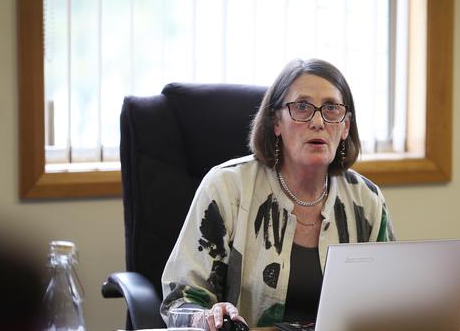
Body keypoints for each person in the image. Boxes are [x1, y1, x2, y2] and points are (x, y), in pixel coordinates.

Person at [161, 58, 395, 330]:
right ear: (276, 123)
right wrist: (208, 317)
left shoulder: (366, 201)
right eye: (302, 107)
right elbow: (179, 301)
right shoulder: (227, 187)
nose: (318, 121)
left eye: (331, 108)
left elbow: (387, 302)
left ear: (345, 126)